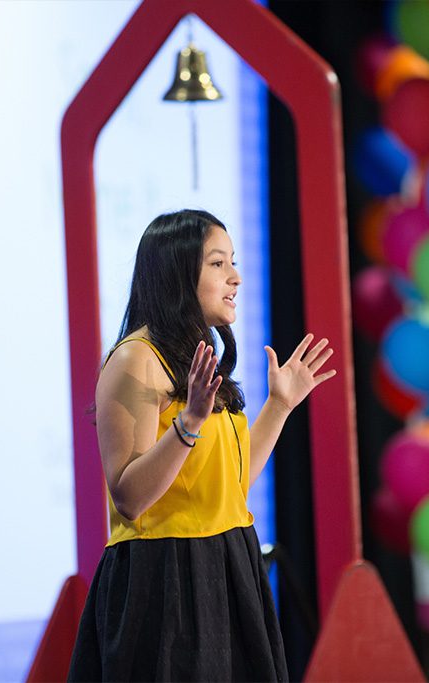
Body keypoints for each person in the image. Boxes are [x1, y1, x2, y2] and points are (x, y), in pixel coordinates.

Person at [67, 209, 336, 682]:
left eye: (232, 261)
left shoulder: (199, 360)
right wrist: (188, 421)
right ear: (177, 272)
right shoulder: (136, 359)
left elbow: (229, 488)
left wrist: (279, 406)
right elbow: (130, 497)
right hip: (165, 579)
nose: (235, 277)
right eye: (217, 264)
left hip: (230, 565)